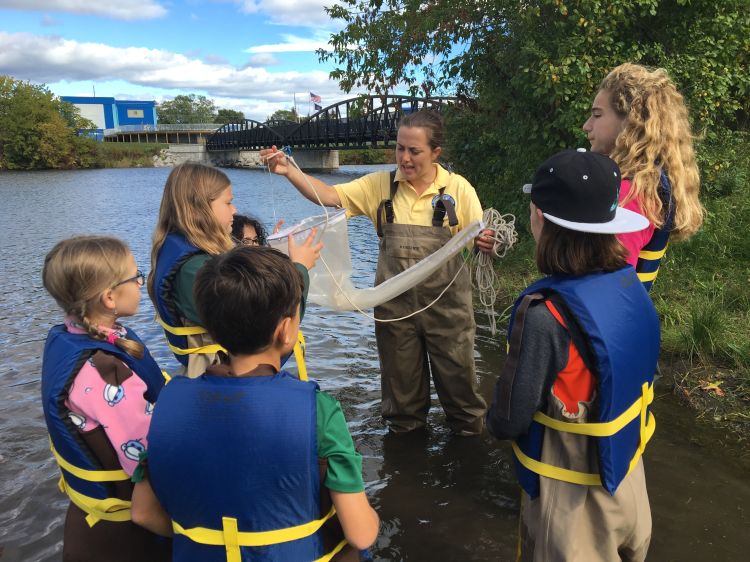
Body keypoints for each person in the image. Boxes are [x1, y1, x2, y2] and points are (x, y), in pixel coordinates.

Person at [131, 245, 380, 561]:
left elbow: (142, 513)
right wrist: (374, 519)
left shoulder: (169, 402)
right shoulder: (319, 411)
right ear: (285, 330)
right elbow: (361, 532)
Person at [260, 109, 494, 436]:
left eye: (415, 151)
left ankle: (471, 461)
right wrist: (288, 171)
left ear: (436, 152)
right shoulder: (379, 186)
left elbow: (478, 239)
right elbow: (328, 196)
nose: (405, 158)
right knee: (402, 407)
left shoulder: (459, 189)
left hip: (449, 312)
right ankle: (406, 467)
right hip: (394, 315)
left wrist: (486, 243)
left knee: (463, 400)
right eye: (400, 148)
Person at [486, 150, 660, 561]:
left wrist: (485, 420)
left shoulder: (545, 314)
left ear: (540, 220)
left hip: (572, 500)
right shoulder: (631, 288)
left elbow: (510, 419)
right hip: (630, 482)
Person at [41, 236, 170, 562]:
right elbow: (149, 462)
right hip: (126, 536)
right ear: (110, 297)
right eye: (136, 276)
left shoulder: (70, 337)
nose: (142, 282)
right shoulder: (104, 372)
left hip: (87, 524)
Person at [148, 162, 321, 377]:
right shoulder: (193, 270)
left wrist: (272, 260)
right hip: (228, 377)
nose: (235, 210)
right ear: (201, 207)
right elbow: (266, 320)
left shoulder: (180, 250)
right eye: (228, 202)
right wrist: (299, 270)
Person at [583, 62, 704, 290]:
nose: (586, 126)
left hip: (605, 322)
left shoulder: (631, 194)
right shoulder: (652, 182)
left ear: (631, 122)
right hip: (627, 317)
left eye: (597, 115)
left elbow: (610, 290)